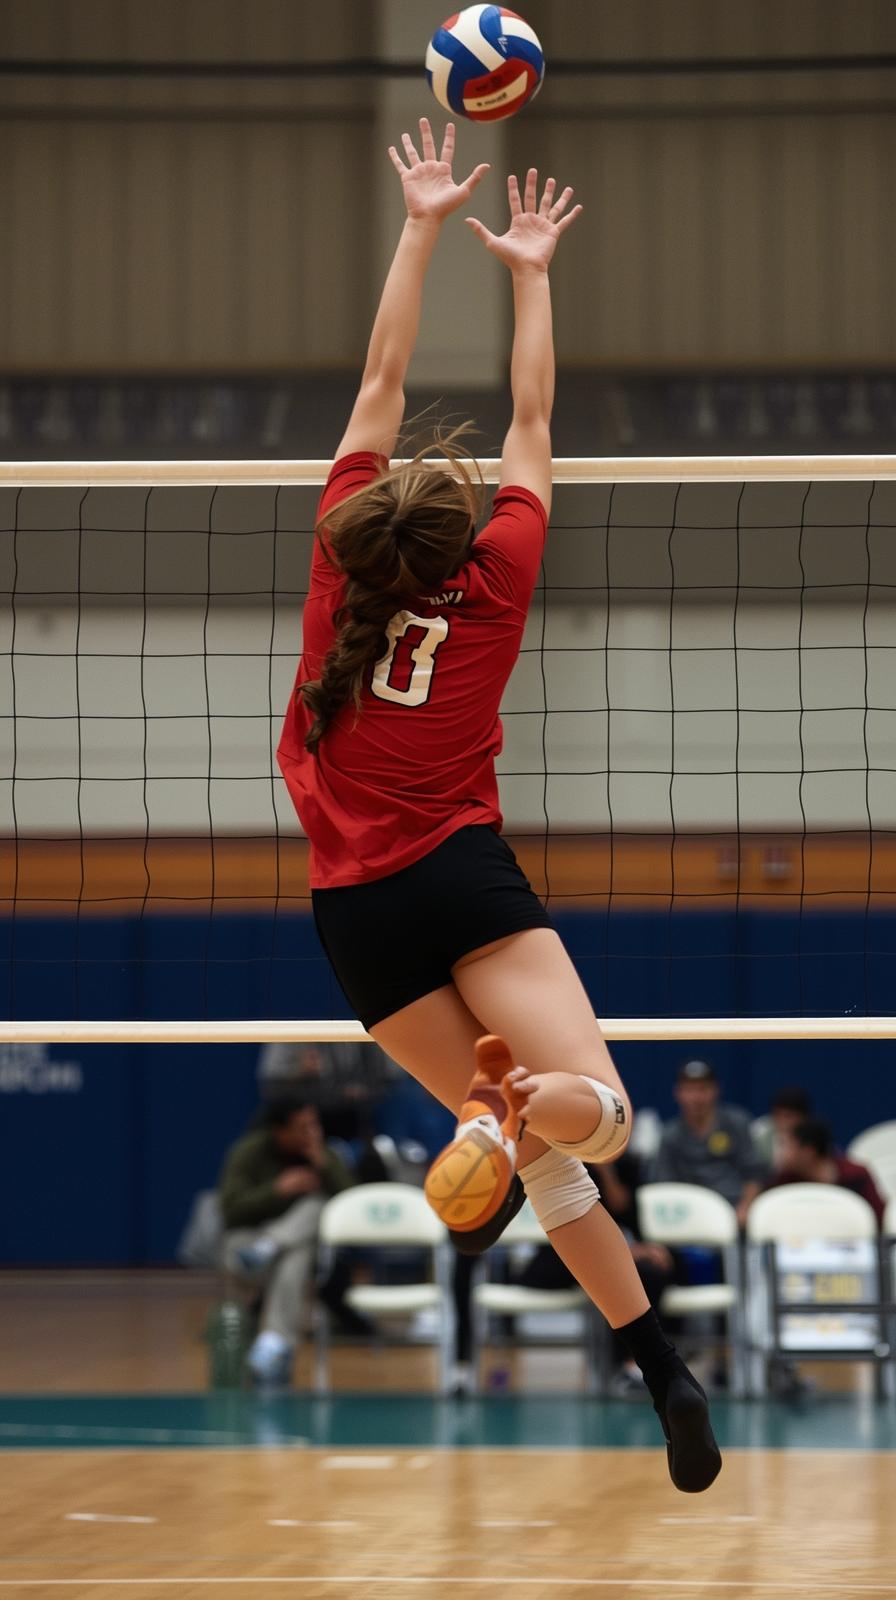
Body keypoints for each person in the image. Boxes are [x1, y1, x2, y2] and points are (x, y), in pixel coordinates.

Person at [276, 116, 720, 1493]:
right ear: (457, 526)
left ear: (366, 530)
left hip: (358, 916)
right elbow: (529, 419)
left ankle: (658, 1361)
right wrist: (526, 265)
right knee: (601, 1124)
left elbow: (379, 375)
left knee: (539, 1167)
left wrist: (415, 225)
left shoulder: (338, 565)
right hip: (464, 877)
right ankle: (530, 1114)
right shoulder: (501, 571)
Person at [218, 1096, 354, 1384]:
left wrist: (324, 1164)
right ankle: (274, 1346)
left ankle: (270, 1247)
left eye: (315, 1124)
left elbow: (352, 1205)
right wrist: (278, 1190)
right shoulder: (248, 1152)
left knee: (317, 1208)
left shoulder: (322, 1152)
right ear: (279, 1131)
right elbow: (230, 1210)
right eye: (303, 1128)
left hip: (284, 1244)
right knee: (296, 1252)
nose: (312, 1133)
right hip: (245, 1244)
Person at [651, 1059, 767, 1225]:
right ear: (678, 1093)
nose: (697, 1097)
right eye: (690, 1090)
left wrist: (744, 1209)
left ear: (716, 1090)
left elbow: (754, 1174)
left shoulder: (736, 1122)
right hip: (690, 1216)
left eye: (703, 1089)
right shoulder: (670, 1135)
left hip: (735, 1212)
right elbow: (664, 1186)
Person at [763, 1116, 886, 1225]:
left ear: (808, 1151)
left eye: (786, 1146)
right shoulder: (784, 1180)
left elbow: (879, 1219)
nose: (780, 1153)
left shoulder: (856, 1175)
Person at [751, 1086, 813, 1171]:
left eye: (788, 1116)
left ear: (803, 1117)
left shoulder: (814, 1132)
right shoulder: (759, 1131)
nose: (782, 1121)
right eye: (777, 1115)